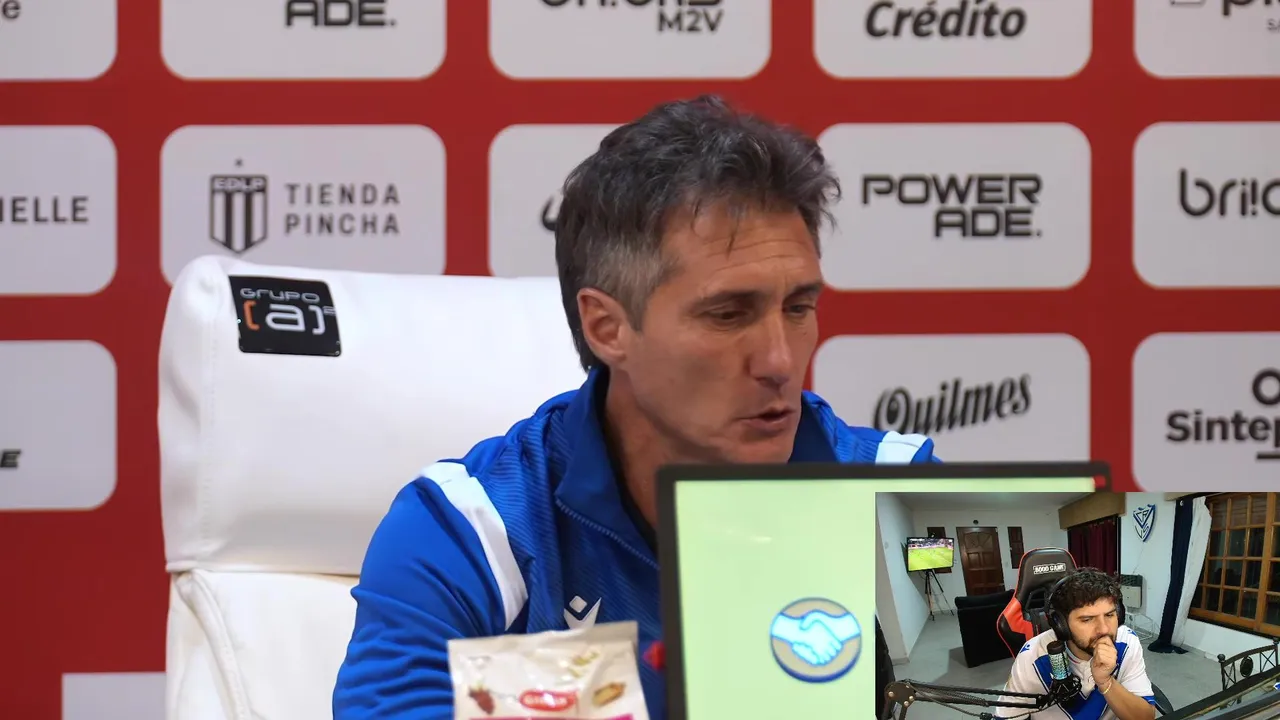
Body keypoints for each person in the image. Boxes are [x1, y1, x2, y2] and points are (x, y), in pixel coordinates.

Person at [331, 95, 941, 719]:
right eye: (728, 314)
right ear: (607, 327)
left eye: (798, 307)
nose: (780, 361)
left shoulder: (897, 491)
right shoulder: (474, 531)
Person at [997, 569, 1158, 720]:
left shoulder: (1126, 642)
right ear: (1061, 624)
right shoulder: (1032, 658)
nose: (1104, 629)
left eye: (1109, 615)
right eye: (1087, 619)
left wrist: (1105, 682)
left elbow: (1146, 717)